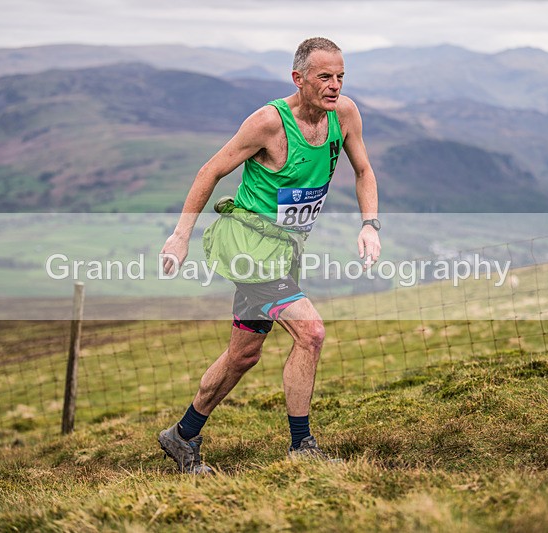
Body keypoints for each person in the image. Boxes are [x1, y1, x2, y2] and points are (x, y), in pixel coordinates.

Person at [157, 37, 381, 474]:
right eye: (324, 77)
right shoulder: (268, 123)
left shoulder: (345, 115)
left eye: (340, 77)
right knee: (310, 332)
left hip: (284, 252)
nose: (334, 86)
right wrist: (180, 235)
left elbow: (364, 170)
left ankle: (181, 436)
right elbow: (212, 169)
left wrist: (369, 225)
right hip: (248, 248)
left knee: (243, 354)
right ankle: (302, 447)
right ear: (298, 79)